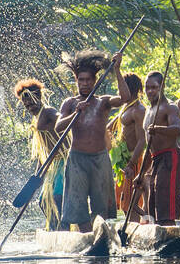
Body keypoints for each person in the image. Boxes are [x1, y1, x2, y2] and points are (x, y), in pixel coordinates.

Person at [53, 50, 131, 230]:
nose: (85, 83)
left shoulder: (103, 102)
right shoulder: (70, 103)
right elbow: (58, 127)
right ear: (77, 81)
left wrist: (117, 70)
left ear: (94, 81)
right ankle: (87, 236)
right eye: (81, 80)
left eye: (88, 80)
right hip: (77, 160)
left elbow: (125, 98)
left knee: (101, 206)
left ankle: (99, 235)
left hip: (100, 159)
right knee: (78, 207)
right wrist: (76, 112)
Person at [15, 78, 66, 228]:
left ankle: (65, 228)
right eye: (26, 105)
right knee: (43, 200)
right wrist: (38, 176)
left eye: (31, 102)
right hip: (51, 164)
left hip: (64, 160)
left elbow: (62, 120)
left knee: (57, 197)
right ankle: (55, 228)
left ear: (38, 97)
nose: (29, 107)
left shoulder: (49, 112)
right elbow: (41, 152)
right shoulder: (35, 119)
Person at [135, 70, 180, 225]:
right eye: (147, 87)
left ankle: (169, 231)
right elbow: (149, 147)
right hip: (156, 160)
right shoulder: (148, 111)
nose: (150, 91)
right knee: (153, 201)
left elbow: (177, 129)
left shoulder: (170, 107)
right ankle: (158, 230)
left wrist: (159, 129)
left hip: (170, 157)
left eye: (154, 87)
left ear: (161, 87)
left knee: (165, 201)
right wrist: (141, 173)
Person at [112, 72, 145, 218]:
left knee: (132, 204)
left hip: (134, 160)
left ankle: (138, 228)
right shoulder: (125, 107)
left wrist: (131, 164)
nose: (119, 91)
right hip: (125, 161)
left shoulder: (139, 110)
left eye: (121, 87)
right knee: (125, 204)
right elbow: (109, 127)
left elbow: (142, 141)